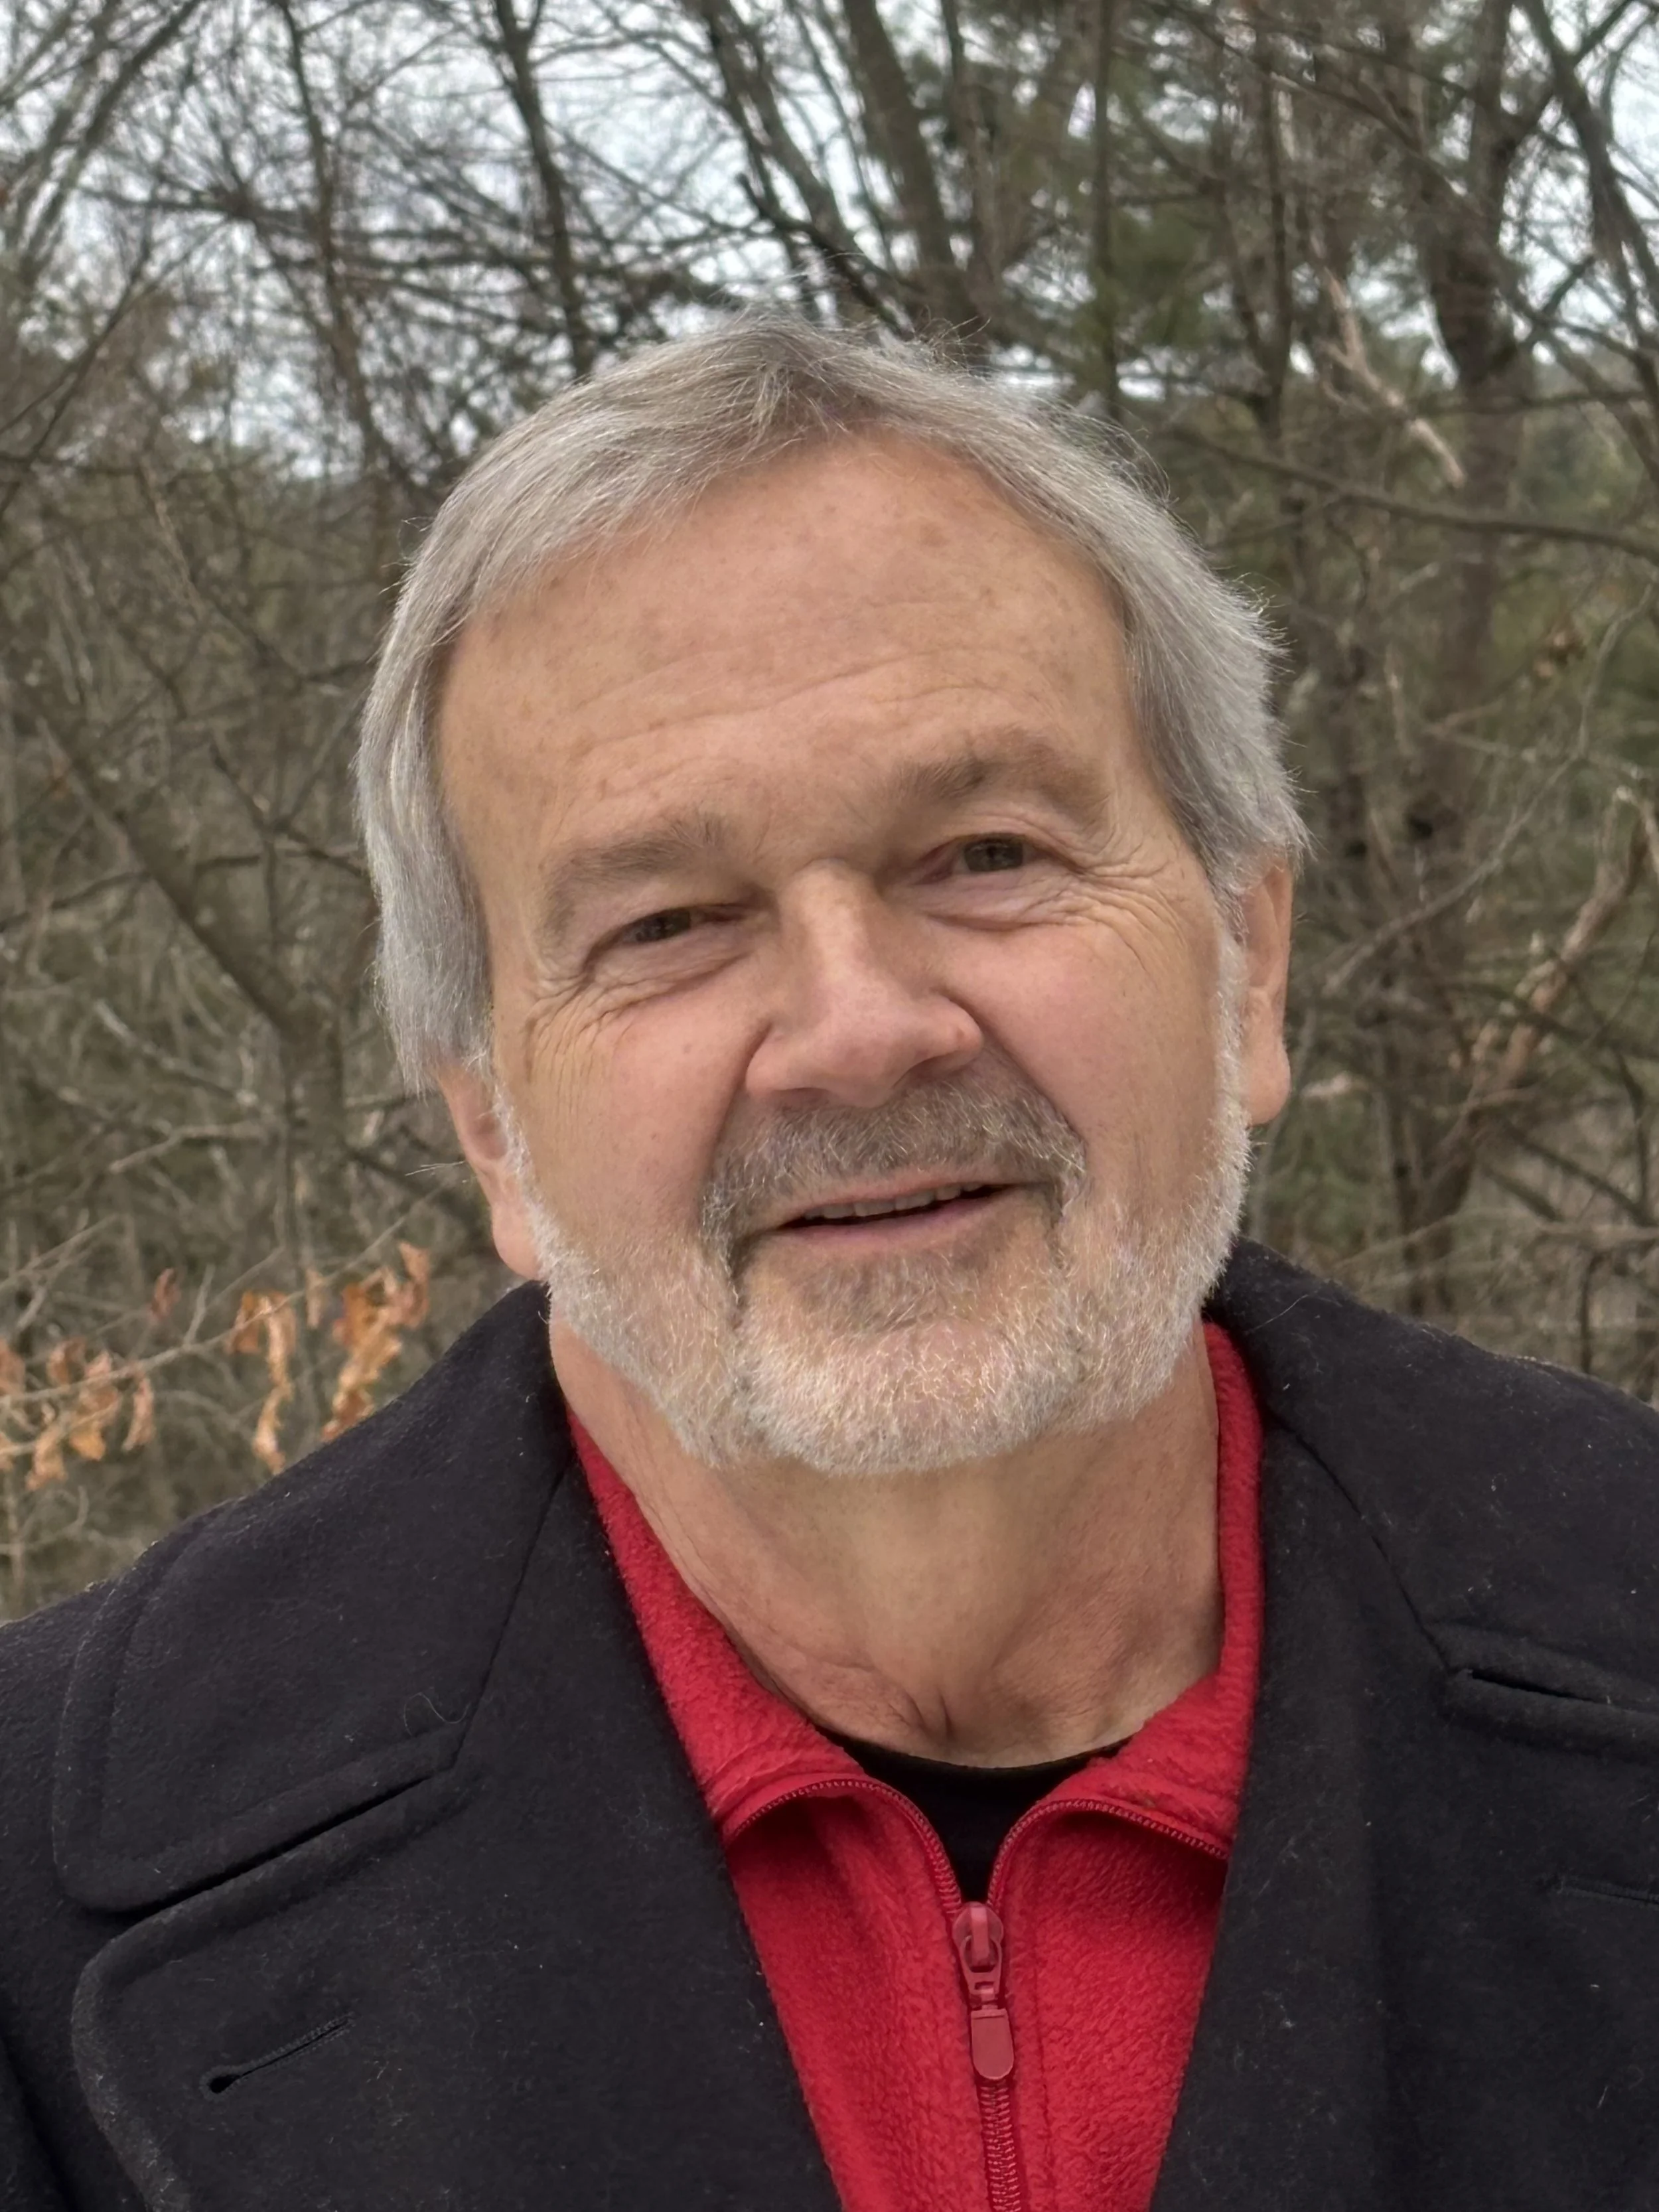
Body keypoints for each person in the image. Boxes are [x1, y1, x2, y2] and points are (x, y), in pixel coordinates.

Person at [2, 318, 1656, 2212]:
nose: (859, 1030)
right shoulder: (34, 1913)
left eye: (984, 850)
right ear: (489, 1125)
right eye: (670, 922)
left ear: (1247, 961)